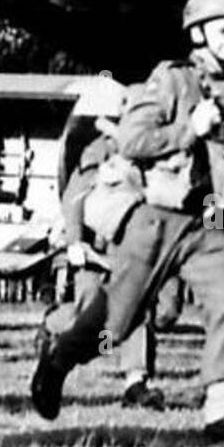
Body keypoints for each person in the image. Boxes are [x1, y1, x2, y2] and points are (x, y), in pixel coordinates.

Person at [31, 0, 224, 447]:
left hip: (205, 223)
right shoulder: (170, 80)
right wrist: (189, 130)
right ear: (198, 34)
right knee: (113, 327)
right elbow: (132, 141)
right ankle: (58, 359)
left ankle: (221, 415)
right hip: (154, 219)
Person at [57, 90, 162, 410]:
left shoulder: (144, 152)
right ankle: (52, 333)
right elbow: (75, 196)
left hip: (127, 246)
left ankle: (136, 383)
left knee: (137, 311)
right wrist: (75, 241)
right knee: (89, 315)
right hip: (95, 246)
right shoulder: (99, 151)